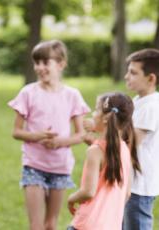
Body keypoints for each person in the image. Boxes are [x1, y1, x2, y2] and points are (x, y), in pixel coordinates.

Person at [8, 40, 90, 230]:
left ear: (61, 64)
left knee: (51, 225)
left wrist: (61, 142)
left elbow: (81, 135)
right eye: (37, 63)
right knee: (36, 226)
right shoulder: (28, 93)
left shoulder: (72, 95)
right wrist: (37, 136)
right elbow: (16, 131)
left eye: (46, 62)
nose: (40, 67)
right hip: (33, 166)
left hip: (60, 168)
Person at [67, 92, 141, 230]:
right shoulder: (125, 149)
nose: (93, 114)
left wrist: (71, 199)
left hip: (86, 224)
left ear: (106, 118)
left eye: (96, 109)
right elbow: (127, 193)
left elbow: (88, 191)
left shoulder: (95, 151)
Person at [123, 48, 159, 230]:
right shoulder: (138, 101)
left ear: (151, 78)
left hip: (140, 186)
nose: (126, 76)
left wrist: (104, 132)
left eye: (133, 72)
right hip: (131, 183)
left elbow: (130, 141)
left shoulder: (151, 106)